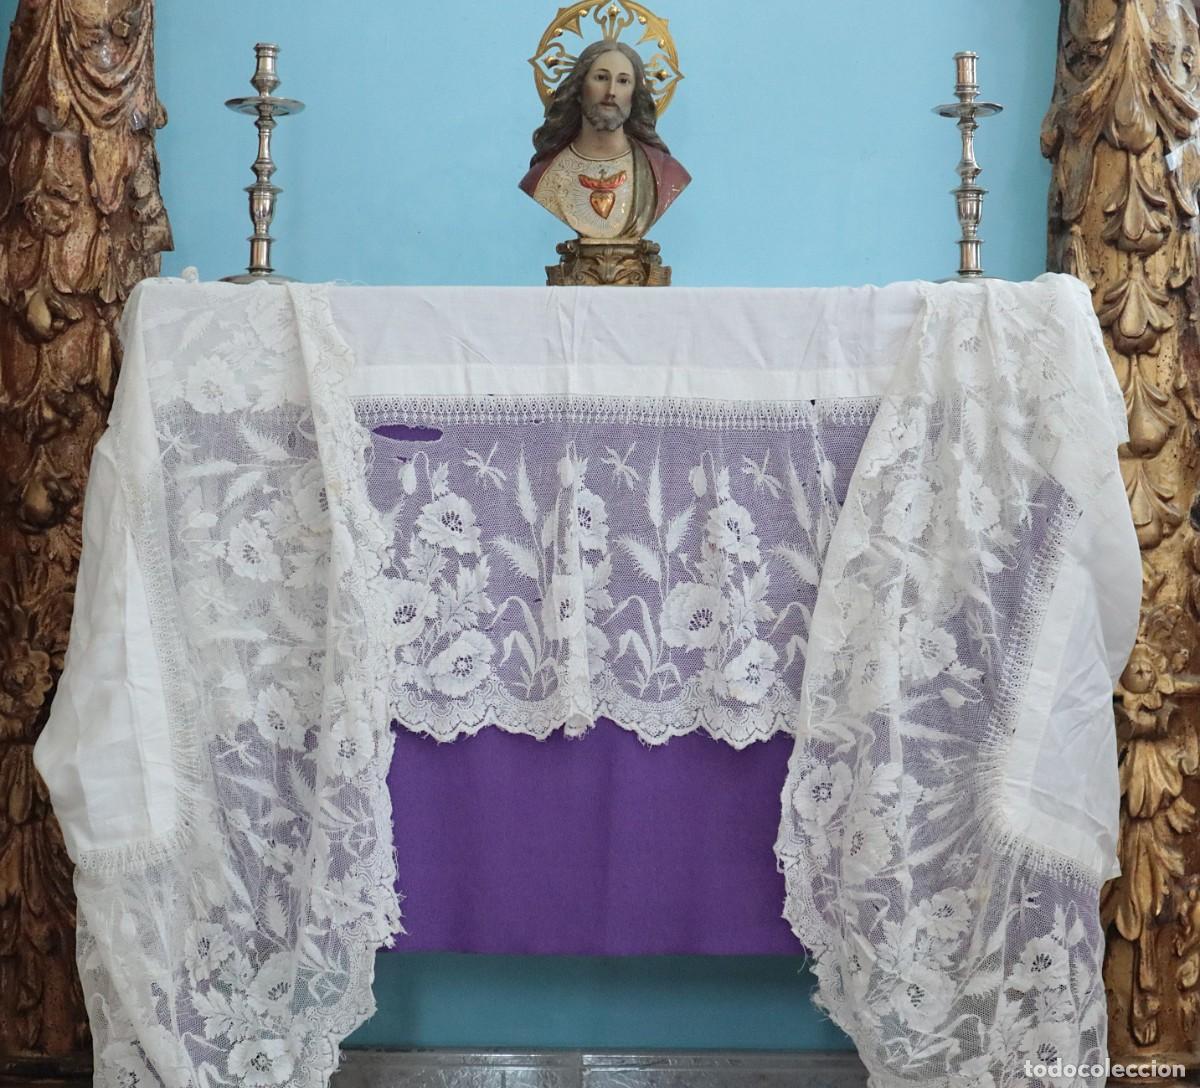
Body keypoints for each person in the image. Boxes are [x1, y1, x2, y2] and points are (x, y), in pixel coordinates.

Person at [519, 40, 690, 242]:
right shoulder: (544, 177)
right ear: (579, 90)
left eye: (623, 81)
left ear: (634, 96)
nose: (611, 91)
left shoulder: (665, 173)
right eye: (601, 78)